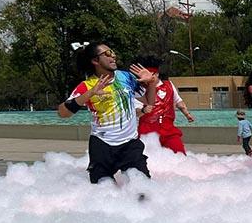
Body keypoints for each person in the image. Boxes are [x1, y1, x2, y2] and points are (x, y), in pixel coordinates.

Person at [58, 42, 157, 183]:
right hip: (102, 146)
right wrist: (90, 94)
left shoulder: (126, 77)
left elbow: (148, 102)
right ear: (95, 60)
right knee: (104, 191)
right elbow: (63, 113)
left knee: (143, 190)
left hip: (130, 145)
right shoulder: (87, 86)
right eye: (108, 53)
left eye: (113, 52)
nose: (113, 56)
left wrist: (152, 82)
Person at [133, 56, 195, 155]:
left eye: (150, 75)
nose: (147, 78)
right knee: (150, 160)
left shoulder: (169, 85)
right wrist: (143, 110)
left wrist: (187, 114)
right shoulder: (139, 90)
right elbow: (136, 113)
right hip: (148, 131)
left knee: (180, 155)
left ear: (157, 74)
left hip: (169, 129)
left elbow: (178, 101)